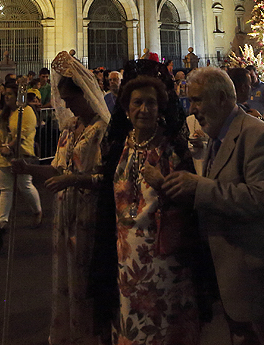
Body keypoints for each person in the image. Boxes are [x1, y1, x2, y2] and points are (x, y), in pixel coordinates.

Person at [163, 66, 264, 345]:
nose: (193, 108)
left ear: (223, 98)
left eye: (198, 100)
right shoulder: (217, 137)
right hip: (242, 282)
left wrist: (198, 187)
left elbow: (261, 199)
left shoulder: (257, 135)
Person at [97, 62, 199, 345]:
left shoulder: (172, 148)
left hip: (165, 259)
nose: (144, 109)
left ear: (161, 107)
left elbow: (192, 199)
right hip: (125, 259)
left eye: (151, 103)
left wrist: (163, 183)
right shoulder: (121, 146)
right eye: (137, 103)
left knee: (164, 330)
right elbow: (104, 186)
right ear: (126, 109)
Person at [13, 52, 111, 345]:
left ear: (86, 94)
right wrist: (27, 168)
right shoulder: (69, 130)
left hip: (90, 217)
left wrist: (75, 180)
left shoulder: (102, 131)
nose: (65, 104)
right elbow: (58, 168)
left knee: (87, 284)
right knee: (68, 281)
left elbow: (110, 179)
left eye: (70, 98)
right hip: (65, 217)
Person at [0, 80, 41, 227]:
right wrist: (1, 147)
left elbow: (22, 134)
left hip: (21, 155)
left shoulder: (27, 112)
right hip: (2, 157)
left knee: (24, 185)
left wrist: (9, 147)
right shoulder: (2, 113)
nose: (7, 97)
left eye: (10, 94)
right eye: (5, 94)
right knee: (5, 189)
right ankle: (3, 221)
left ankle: (37, 210)